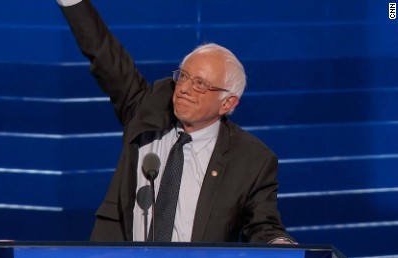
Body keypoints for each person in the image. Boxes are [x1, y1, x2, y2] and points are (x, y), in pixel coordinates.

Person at [57, 0, 296, 244]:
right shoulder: (146, 109)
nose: (184, 89)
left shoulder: (252, 160)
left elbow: (263, 225)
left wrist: (279, 244)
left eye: (200, 84)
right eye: (183, 76)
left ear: (228, 103)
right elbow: (105, 55)